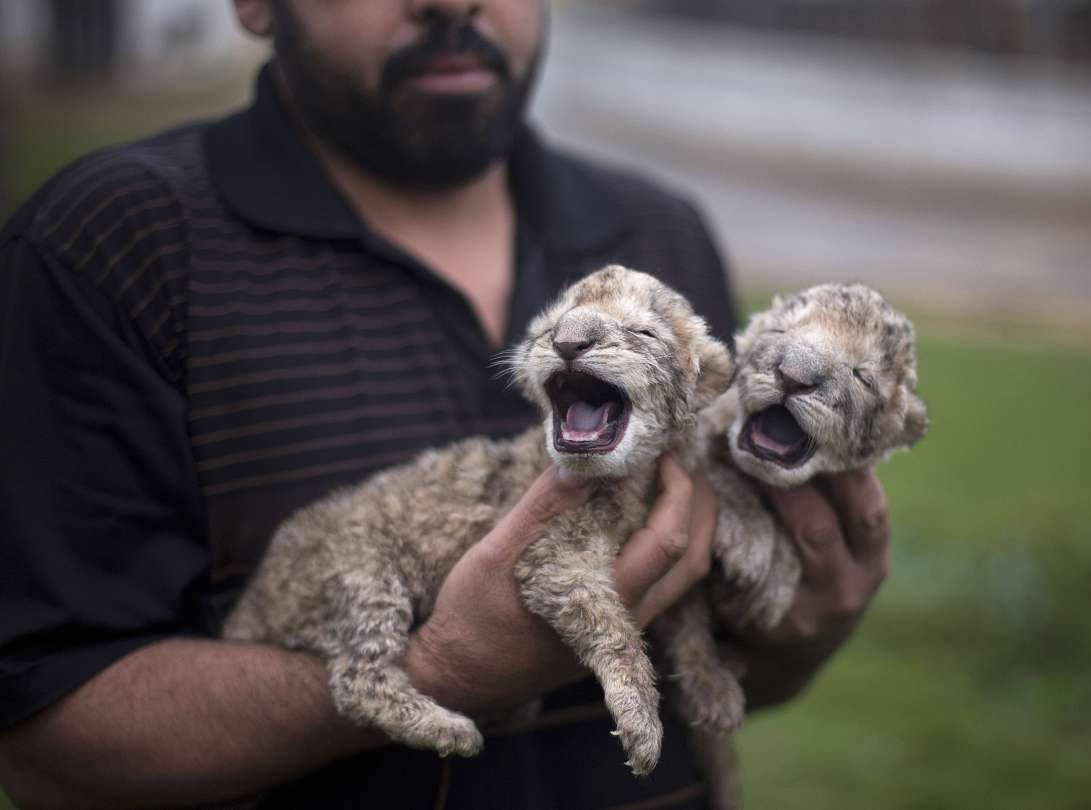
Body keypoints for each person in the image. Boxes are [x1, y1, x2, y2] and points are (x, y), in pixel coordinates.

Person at [0, 1, 891, 807]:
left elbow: (723, 662)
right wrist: (442, 670)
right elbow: (40, 743)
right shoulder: (108, 248)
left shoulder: (661, 235)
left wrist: (800, 632)